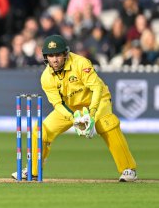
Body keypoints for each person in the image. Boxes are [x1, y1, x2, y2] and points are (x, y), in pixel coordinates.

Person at [12, 35, 137, 182]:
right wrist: (74, 118)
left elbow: (96, 88)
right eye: (51, 56)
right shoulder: (46, 77)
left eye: (58, 54)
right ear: (46, 57)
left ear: (65, 54)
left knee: (107, 124)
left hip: (96, 100)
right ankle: (33, 170)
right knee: (40, 130)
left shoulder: (80, 63)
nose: (55, 59)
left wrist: (91, 114)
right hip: (71, 107)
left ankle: (128, 169)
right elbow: (58, 105)